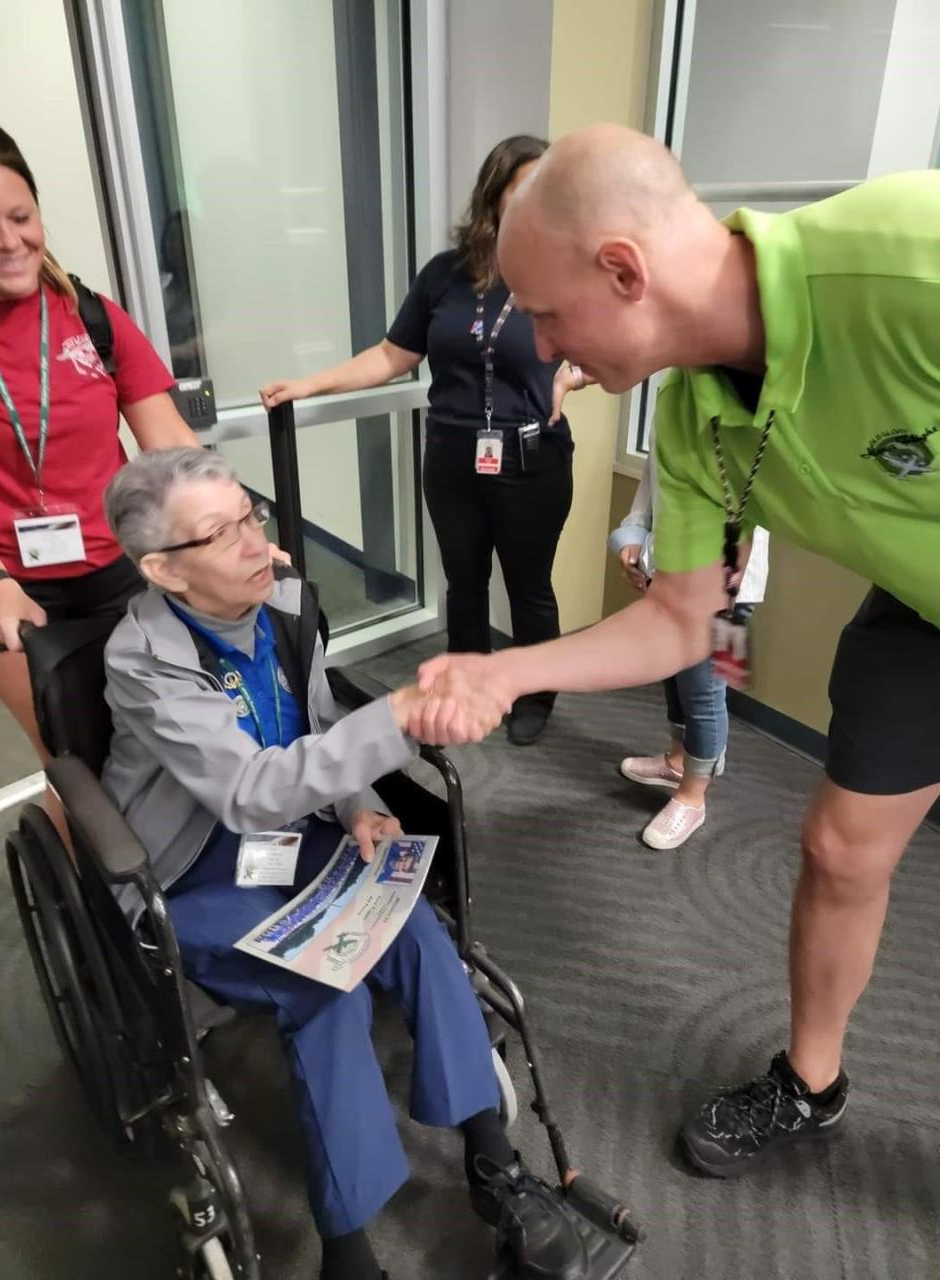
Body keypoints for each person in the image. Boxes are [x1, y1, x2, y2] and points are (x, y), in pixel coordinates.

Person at [408, 125, 940, 1180]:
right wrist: (506, 668)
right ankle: (812, 1082)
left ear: (623, 269)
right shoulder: (695, 409)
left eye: (549, 316)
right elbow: (681, 621)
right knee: (839, 849)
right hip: (921, 612)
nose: (545, 349)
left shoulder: (907, 251)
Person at [101, 448, 582, 1280]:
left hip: (296, 832)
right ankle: (349, 1251)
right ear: (162, 570)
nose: (259, 544)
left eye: (252, 517)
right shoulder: (140, 659)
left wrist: (358, 800)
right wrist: (400, 713)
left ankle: (491, 1157)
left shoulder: (285, 605)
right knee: (324, 994)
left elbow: (317, 720)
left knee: (420, 929)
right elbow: (249, 793)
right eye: (223, 534)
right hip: (191, 865)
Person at [261, 135, 588, 747]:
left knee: (529, 585)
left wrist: (570, 376)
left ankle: (532, 691)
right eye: (526, 193)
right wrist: (311, 383)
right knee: (463, 582)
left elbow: (607, 346)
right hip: (453, 457)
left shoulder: (562, 273)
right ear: (494, 198)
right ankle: (465, 684)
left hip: (530, 458)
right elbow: (391, 355)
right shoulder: (445, 276)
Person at [0, 119, 198, 784]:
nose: (8, 240)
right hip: (9, 584)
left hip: (118, 571)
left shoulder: (91, 316)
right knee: (73, 761)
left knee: (149, 738)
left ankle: (150, 878)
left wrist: (230, 529)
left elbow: (174, 453)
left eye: (21, 216)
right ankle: (87, 886)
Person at [609, 442, 769, 849]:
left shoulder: (749, 408)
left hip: (724, 585)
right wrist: (634, 530)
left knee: (705, 690)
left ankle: (693, 796)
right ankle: (679, 762)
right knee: (674, 676)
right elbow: (654, 473)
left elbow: (756, 506)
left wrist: (724, 592)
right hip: (666, 570)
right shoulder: (672, 393)